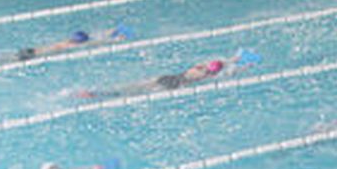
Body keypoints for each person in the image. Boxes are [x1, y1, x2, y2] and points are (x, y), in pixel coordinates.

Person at [77, 50, 254, 100]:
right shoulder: (209, 76)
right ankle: (98, 95)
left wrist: (235, 57)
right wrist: (245, 65)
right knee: (131, 94)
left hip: (166, 77)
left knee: (131, 86)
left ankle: (97, 91)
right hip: (171, 85)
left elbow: (221, 63)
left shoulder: (199, 67)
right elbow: (229, 71)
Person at [0, 25, 132, 71]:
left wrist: (113, 31)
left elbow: (95, 36)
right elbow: (95, 41)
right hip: (31, 56)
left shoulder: (67, 41)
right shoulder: (71, 45)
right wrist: (116, 40)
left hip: (31, 50)